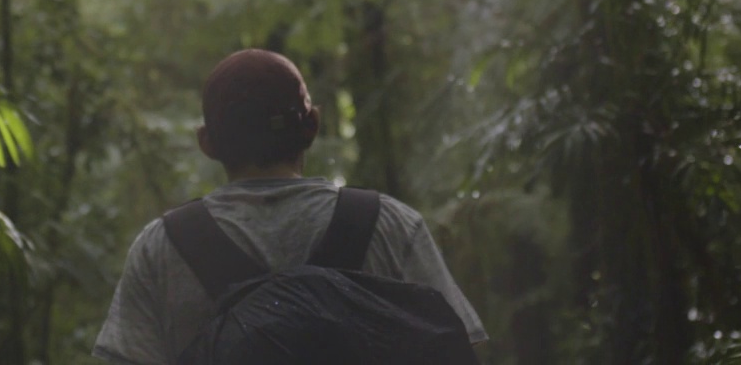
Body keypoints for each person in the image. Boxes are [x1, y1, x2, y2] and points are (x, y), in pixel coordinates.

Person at [93, 48, 487, 364]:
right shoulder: (388, 224)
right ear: (311, 126)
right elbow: (459, 348)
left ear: (207, 143)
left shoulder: (163, 246)